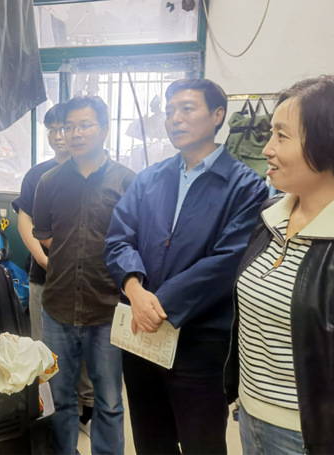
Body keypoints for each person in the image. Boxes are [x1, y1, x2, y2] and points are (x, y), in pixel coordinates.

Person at [224, 75, 334, 454]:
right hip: (251, 417)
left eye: (281, 136)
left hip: (323, 438)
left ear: (331, 144)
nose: (267, 149)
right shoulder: (271, 214)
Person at [104, 78, 268, 454]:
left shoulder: (245, 186)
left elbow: (228, 261)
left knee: (201, 443)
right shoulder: (149, 179)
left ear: (217, 115)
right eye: (169, 111)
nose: (174, 118)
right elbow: (118, 239)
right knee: (150, 440)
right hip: (141, 335)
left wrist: (158, 305)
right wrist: (135, 291)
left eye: (187, 108)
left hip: (200, 341)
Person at [33, 96, 135, 454]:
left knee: (109, 400)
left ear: (104, 129)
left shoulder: (127, 181)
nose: (75, 134)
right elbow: (44, 234)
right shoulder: (48, 181)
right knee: (59, 396)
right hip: (58, 306)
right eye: (68, 127)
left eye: (85, 125)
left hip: (108, 308)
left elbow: (137, 240)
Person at [11, 102, 95, 431]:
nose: (60, 136)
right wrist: (46, 260)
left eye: (66, 128)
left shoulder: (93, 172)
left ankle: (87, 405)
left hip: (89, 280)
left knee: (85, 346)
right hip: (44, 278)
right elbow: (25, 222)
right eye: (53, 130)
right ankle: (49, 413)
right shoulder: (38, 175)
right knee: (44, 347)